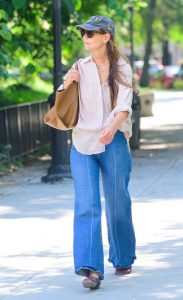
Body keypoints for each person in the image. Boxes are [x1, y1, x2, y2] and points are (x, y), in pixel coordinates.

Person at [58, 15, 136, 290]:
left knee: (118, 201)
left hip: (112, 141)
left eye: (93, 33)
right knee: (87, 204)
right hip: (82, 142)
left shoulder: (122, 68)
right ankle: (90, 269)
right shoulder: (79, 67)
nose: (86, 37)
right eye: (84, 33)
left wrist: (111, 128)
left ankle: (122, 256)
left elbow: (125, 106)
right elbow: (62, 100)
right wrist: (66, 82)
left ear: (107, 37)